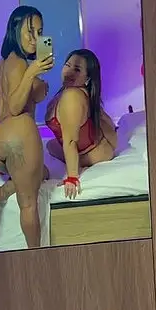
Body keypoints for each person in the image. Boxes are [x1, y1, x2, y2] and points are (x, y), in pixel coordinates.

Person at [0, 5, 54, 248]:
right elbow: (16, 107)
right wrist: (33, 74)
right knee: (28, 204)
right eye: (29, 31)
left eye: (39, 32)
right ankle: (36, 258)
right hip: (16, 133)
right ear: (15, 30)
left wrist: (35, 76)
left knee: (42, 173)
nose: (35, 38)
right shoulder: (20, 64)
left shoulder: (5, 62)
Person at [43, 49, 118, 199]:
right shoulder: (66, 92)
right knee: (50, 145)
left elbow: (71, 141)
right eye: (67, 65)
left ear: (87, 78)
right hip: (88, 142)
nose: (69, 72)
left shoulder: (72, 96)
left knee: (54, 146)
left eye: (77, 69)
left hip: (96, 152)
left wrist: (72, 177)